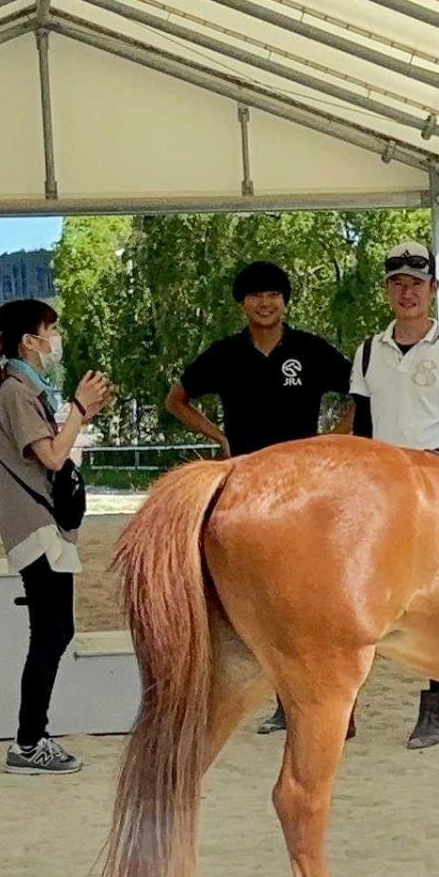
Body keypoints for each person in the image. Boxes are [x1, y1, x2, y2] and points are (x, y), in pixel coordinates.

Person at [166, 260, 352, 735]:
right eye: (255, 295)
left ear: (285, 301)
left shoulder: (309, 350)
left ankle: (339, 707)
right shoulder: (226, 354)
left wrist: (330, 441)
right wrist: (219, 440)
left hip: (305, 492)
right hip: (244, 494)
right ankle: (286, 703)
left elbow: (360, 393)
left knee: (319, 596)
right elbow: (177, 399)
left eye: (273, 294)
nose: (265, 303)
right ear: (242, 303)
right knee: (267, 599)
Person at [344, 239, 439, 748]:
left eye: (416, 284)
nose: (406, 292)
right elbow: (363, 423)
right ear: (387, 290)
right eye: (397, 283)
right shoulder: (369, 350)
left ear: (434, 290)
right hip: (380, 488)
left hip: (436, 484)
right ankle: (346, 703)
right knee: (357, 594)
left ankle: (433, 709)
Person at [0, 297, 114, 775]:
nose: (55, 338)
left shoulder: (24, 391)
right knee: (51, 633)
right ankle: (29, 741)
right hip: (37, 528)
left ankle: (32, 737)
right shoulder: (17, 392)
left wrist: (81, 411)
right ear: (29, 341)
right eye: (50, 329)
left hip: (42, 528)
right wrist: (80, 408)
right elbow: (54, 457)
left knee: (56, 631)